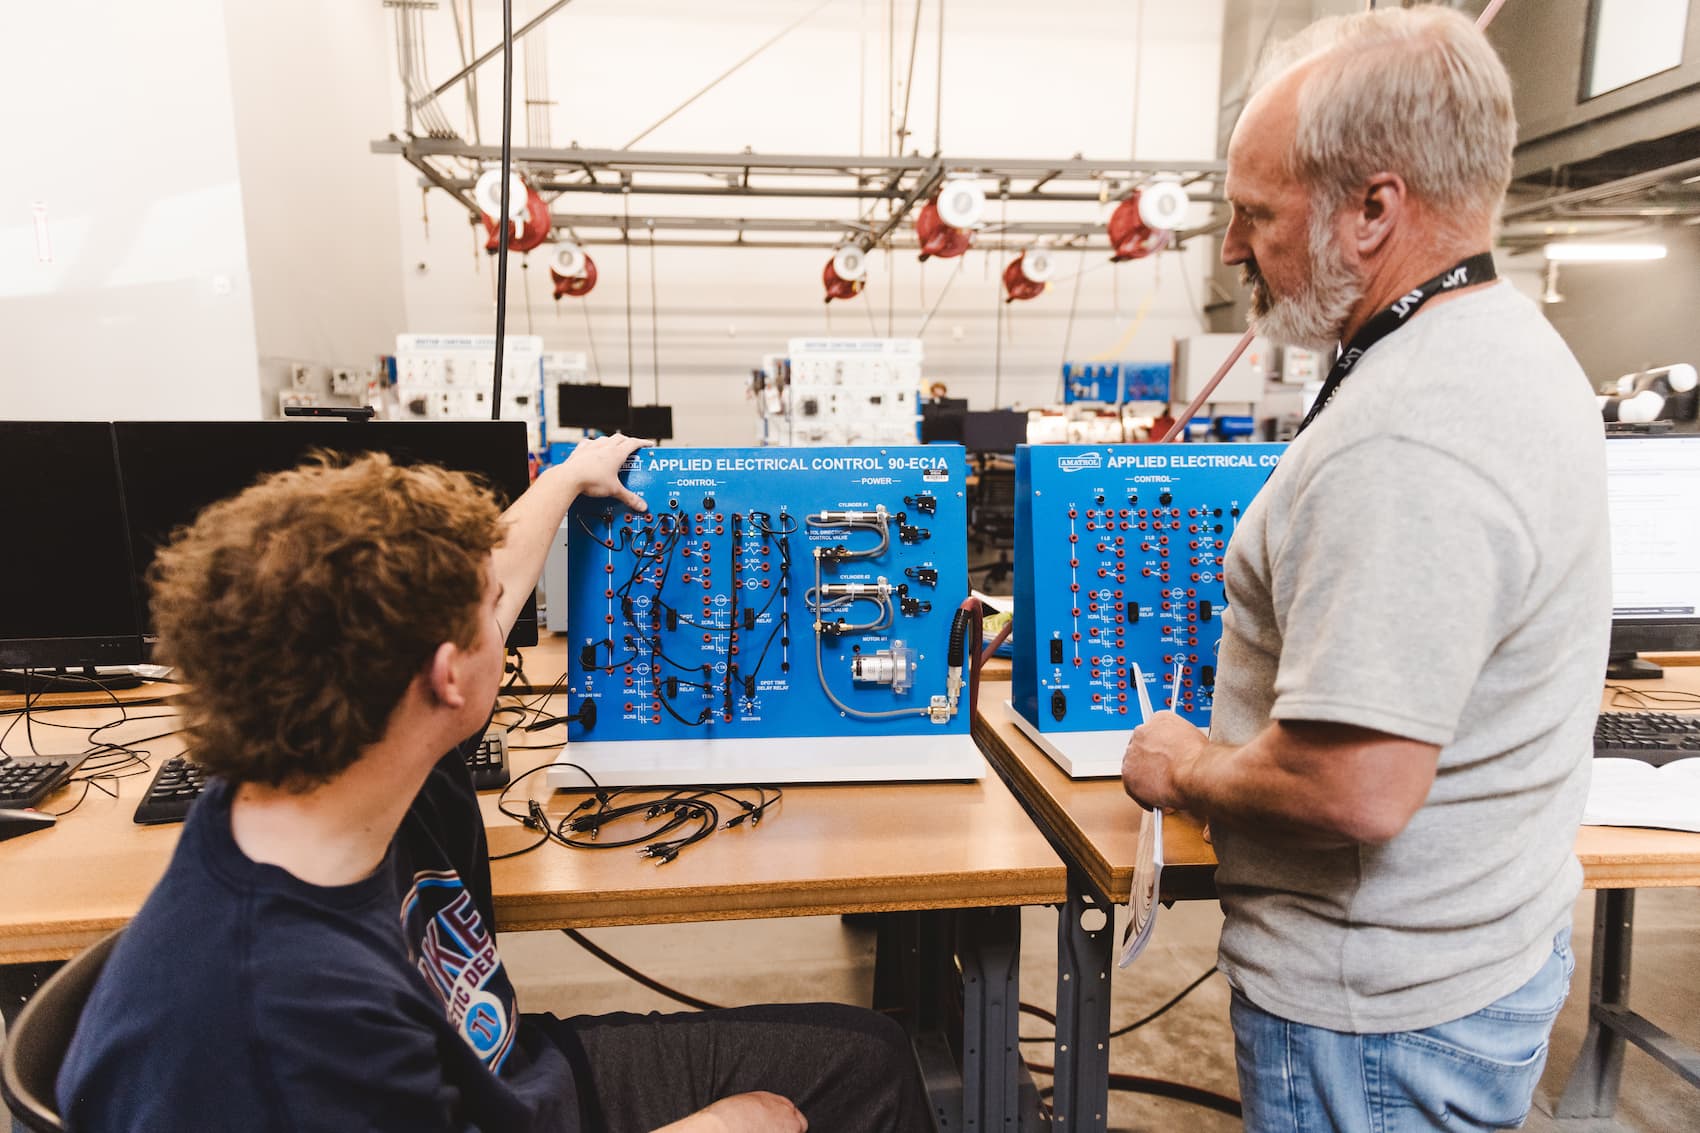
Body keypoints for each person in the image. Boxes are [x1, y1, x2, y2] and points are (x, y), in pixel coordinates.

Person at [57, 435, 931, 1132]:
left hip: (500, 1076)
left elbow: (498, 576)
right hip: (484, 1094)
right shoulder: (287, 1020)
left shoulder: (331, 748)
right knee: (793, 1108)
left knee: (870, 1055)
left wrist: (568, 476)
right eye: (487, 613)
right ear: (444, 677)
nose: (505, 627)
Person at [1119, 8, 1609, 1131]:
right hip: (1472, 958)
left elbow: (1352, 785)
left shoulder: (1403, 435)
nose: (1235, 249)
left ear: (1373, 208)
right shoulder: (1506, 343)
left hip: (1374, 1018)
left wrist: (1187, 764)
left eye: (1256, 214)